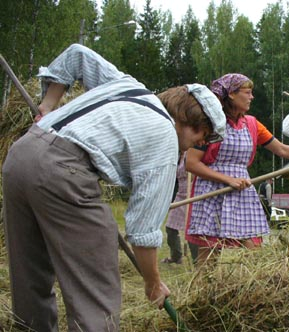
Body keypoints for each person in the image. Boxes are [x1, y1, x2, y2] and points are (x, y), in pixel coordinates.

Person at [1, 44, 225, 332]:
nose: (197, 146)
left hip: (22, 155)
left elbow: (78, 55)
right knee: (95, 284)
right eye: (203, 139)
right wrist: (153, 283)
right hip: (64, 173)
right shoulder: (165, 137)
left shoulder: (129, 86)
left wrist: (48, 103)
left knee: (29, 274)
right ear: (195, 125)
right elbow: (143, 231)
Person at [184, 73, 289, 266]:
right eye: (247, 92)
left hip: (243, 190)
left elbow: (281, 149)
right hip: (213, 190)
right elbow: (192, 163)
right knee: (209, 253)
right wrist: (227, 180)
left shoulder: (251, 124)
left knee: (254, 248)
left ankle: (258, 289)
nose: (251, 97)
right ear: (231, 94)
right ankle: (202, 291)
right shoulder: (210, 123)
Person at [162, 151, 198, 264]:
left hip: (193, 195)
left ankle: (197, 261)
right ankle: (176, 256)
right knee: (170, 228)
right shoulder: (178, 156)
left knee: (191, 230)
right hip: (180, 195)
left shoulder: (190, 154)